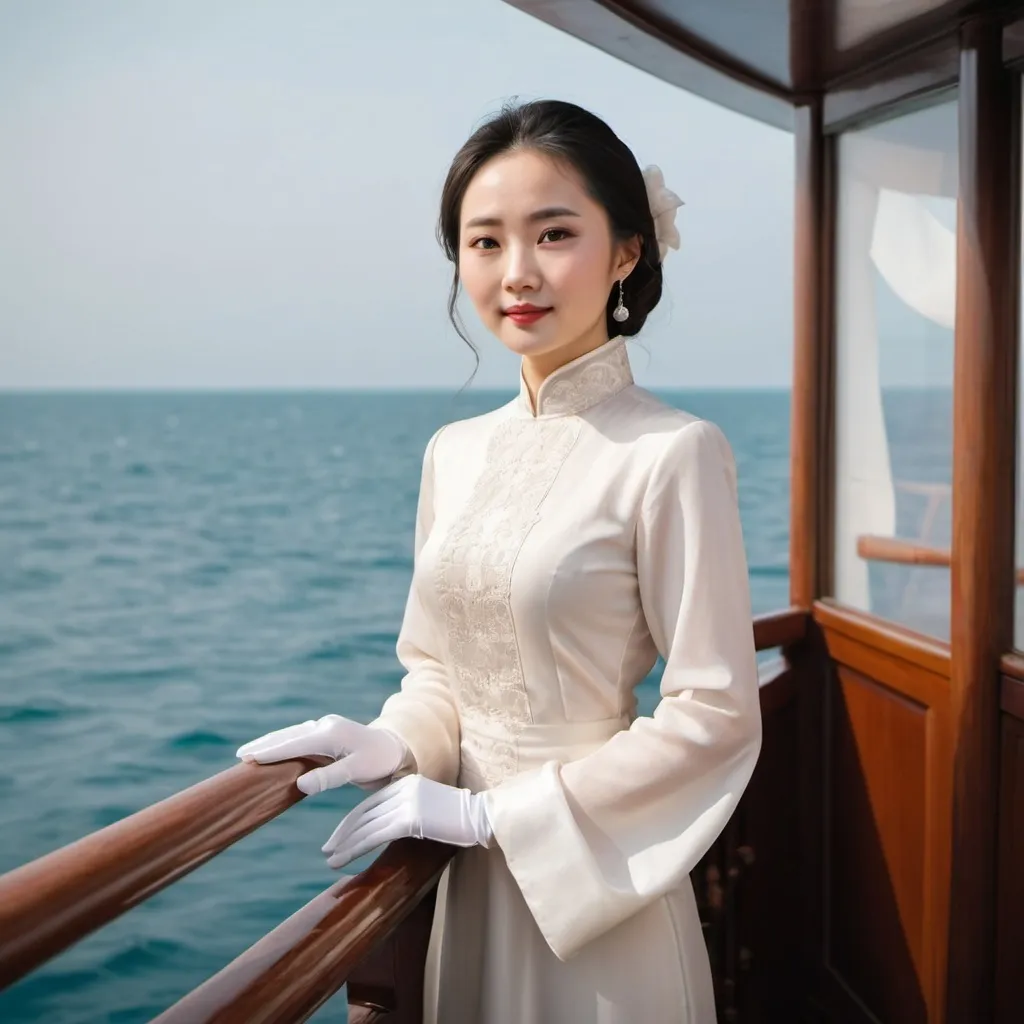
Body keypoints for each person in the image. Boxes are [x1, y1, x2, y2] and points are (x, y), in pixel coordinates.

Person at [236, 98, 761, 1024]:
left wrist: (490, 816)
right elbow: (437, 665)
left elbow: (715, 709)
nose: (517, 273)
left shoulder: (673, 452)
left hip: (596, 895)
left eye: (554, 233)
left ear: (628, 251)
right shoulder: (453, 451)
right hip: (468, 885)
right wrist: (398, 742)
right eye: (484, 243)